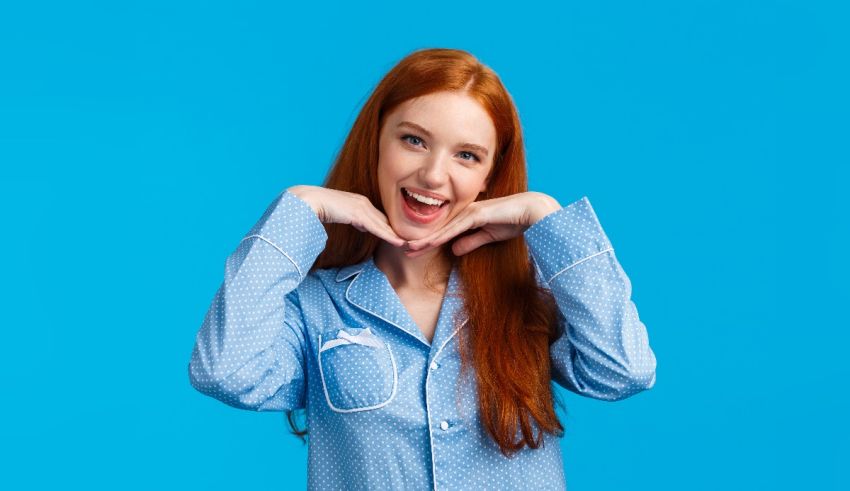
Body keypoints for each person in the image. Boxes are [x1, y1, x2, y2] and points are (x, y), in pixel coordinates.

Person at [188, 47, 657, 490]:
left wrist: (544, 215)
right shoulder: (315, 306)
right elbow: (225, 373)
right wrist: (299, 207)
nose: (434, 175)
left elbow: (622, 371)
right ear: (376, 144)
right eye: (414, 140)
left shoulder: (528, 295)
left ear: (488, 177)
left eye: (466, 155)